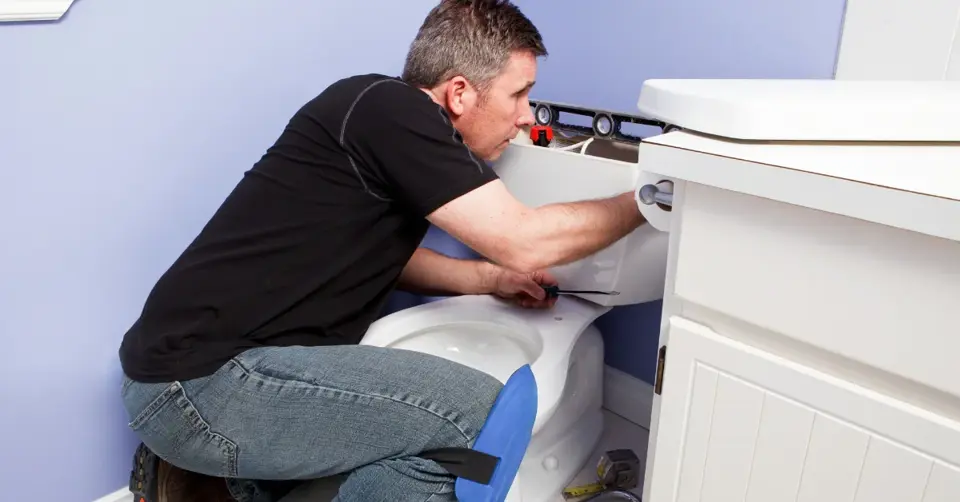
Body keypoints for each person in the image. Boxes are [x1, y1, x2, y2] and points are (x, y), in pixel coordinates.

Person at [118, 0, 646, 501]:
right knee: (480, 418)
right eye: (519, 94)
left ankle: (220, 486)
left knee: (409, 427)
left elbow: (378, 259)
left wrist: (490, 279)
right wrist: (647, 200)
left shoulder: (380, 119)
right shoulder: (391, 108)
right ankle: (214, 469)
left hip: (209, 371)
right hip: (199, 385)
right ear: (459, 93)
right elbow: (525, 239)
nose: (527, 117)